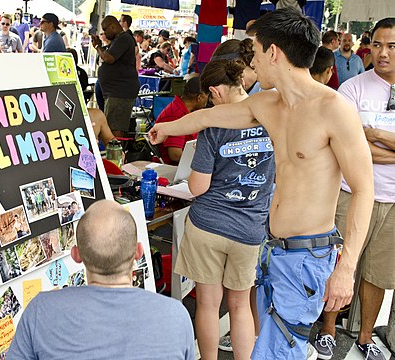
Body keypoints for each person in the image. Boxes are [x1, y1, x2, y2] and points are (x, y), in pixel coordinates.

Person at [149, 8, 374, 359]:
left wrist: (347, 268)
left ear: (273, 53)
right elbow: (211, 116)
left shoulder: (334, 110)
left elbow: (364, 190)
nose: (251, 64)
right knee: (263, 348)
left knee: (281, 351)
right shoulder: (267, 103)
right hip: (270, 248)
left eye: (254, 54)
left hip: (306, 255)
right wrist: (165, 128)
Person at [8, 200, 195, 359]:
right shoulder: (176, 316)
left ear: (76, 255)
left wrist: (51, 306)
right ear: (138, 252)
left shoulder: (40, 311)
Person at [176, 58, 275, 360]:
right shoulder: (270, 118)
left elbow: (198, 187)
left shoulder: (213, 126)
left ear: (216, 91)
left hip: (208, 225)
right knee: (240, 305)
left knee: (207, 303)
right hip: (250, 228)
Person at [313, 17, 395, 360]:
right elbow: (346, 145)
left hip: (392, 201)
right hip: (350, 192)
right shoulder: (353, 88)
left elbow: (361, 141)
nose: (383, 53)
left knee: (378, 272)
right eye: (377, 45)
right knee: (340, 262)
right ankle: (328, 329)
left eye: (392, 46)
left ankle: (364, 336)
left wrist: (372, 134)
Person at [91, 15, 140, 137]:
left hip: (120, 91)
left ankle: (116, 154)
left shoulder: (123, 38)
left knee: (115, 127)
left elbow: (109, 58)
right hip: (115, 91)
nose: (105, 34)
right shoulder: (118, 40)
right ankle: (114, 153)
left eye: (105, 30)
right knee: (112, 125)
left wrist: (97, 47)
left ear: (112, 26)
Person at [155, 77, 207, 165]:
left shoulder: (184, 110)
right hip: (175, 167)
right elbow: (175, 154)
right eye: (207, 96)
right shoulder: (175, 115)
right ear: (200, 97)